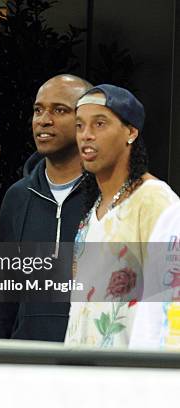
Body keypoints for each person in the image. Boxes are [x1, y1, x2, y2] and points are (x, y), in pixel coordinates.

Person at [65, 84, 180, 348]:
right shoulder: (91, 211)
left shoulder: (153, 200)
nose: (86, 135)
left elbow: (170, 301)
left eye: (100, 124)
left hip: (129, 374)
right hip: (81, 373)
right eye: (80, 126)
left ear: (130, 132)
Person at [0, 74, 92, 341]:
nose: (43, 120)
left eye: (59, 110)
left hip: (92, 362)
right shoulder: (18, 196)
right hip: (26, 363)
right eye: (38, 110)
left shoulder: (111, 197)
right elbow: (4, 297)